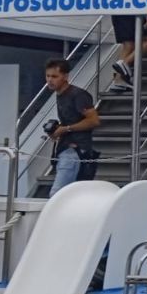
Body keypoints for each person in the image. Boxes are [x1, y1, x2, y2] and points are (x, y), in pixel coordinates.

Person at [44, 58, 100, 194]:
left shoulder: (78, 95)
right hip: (66, 148)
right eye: (48, 76)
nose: (50, 80)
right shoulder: (61, 95)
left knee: (57, 194)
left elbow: (94, 121)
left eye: (54, 76)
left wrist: (66, 129)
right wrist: (59, 130)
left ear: (65, 76)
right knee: (69, 195)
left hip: (75, 150)